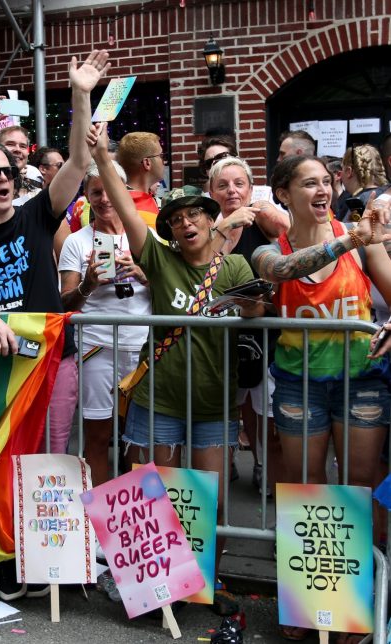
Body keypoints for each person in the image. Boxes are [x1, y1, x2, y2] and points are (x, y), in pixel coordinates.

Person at [0, 49, 111, 602]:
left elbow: (79, 166)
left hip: (50, 358)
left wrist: (80, 93)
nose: (4, 178)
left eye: (9, 172)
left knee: (45, 456)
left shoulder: (40, 211)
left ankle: (39, 563)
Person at [89, 121, 265, 616]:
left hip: (213, 402)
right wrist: (103, 156)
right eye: (178, 219)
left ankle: (201, 586)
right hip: (159, 397)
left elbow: (253, 312)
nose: (187, 224)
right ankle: (153, 588)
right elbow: (124, 205)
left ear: (213, 221)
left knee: (210, 503)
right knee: (152, 497)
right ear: (168, 230)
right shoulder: (160, 259)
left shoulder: (234, 268)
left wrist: (251, 309)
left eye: (195, 216)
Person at [251, 155, 391, 642]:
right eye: (308, 183)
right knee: (305, 487)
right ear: (283, 194)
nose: (323, 189)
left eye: (327, 181)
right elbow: (286, 269)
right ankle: (308, 601)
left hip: (362, 382)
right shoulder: (270, 251)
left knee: (357, 487)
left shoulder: (363, 244)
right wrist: (349, 239)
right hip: (297, 385)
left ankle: (357, 601)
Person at [59, 160, 150, 486]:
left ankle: (134, 519)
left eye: (110, 190)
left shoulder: (145, 234)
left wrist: (143, 273)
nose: (104, 199)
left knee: (139, 439)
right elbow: (65, 301)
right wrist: (88, 284)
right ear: (86, 196)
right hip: (96, 348)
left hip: (142, 349)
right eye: (96, 192)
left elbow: (171, 289)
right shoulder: (76, 241)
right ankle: (97, 524)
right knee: (97, 434)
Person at [208, 156, 286, 493]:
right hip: (218, 341)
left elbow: (292, 245)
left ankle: (265, 470)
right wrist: (222, 228)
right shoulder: (204, 229)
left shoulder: (264, 226)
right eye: (223, 185)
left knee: (265, 416)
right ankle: (220, 475)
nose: (232, 191)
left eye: (239, 183)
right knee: (223, 411)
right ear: (211, 191)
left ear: (252, 189)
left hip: (264, 337)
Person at [117, 131, 165, 228]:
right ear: (147, 163)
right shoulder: (133, 205)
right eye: (161, 156)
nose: (164, 161)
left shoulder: (120, 199)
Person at [339, 143, 389, 220]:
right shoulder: (387, 193)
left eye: (341, 168)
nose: (340, 174)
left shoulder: (357, 203)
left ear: (348, 171)